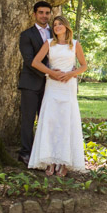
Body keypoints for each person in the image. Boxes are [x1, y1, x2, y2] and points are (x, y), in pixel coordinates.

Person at [28, 14, 87, 177]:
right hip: (53, 85)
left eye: (60, 24)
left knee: (66, 121)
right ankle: (51, 160)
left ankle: (64, 162)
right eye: (55, 25)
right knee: (51, 121)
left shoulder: (75, 45)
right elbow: (36, 62)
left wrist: (71, 74)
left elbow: (84, 65)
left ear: (66, 27)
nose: (57, 26)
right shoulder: (49, 44)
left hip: (68, 86)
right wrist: (51, 73)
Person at [17, 1, 57, 165]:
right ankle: (25, 153)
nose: (44, 16)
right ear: (34, 14)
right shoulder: (26, 35)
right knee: (28, 119)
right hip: (31, 83)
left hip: (51, 86)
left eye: (47, 13)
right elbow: (29, 60)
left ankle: (44, 152)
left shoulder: (55, 34)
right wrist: (50, 74)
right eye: (41, 12)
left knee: (47, 119)